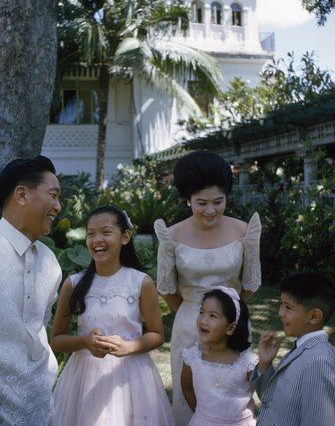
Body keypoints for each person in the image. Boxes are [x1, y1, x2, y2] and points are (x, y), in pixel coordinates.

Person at [154, 150, 261, 425]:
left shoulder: (243, 231)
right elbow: (166, 288)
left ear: (226, 197)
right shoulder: (172, 235)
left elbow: (250, 283)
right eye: (201, 203)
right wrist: (194, 310)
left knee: (234, 396)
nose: (210, 210)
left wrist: (228, 312)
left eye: (218, 201)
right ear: (188, 199)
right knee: (189, 394)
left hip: (233, 324)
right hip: (190, 324)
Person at [52, 204, 174, 426]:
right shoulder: (74, 284)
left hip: (131, 377)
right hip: (84, 378)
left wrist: (129, 347)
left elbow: (157, 334)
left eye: (106, 232)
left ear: (124, 237)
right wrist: (85, 342)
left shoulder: (140, 282)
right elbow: (57, 340)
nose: (97, 239)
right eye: (91, 234)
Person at [0, 155, 62, 425]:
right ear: (22, 195)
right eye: (54, 195)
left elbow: (40, 328)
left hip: (39, 404)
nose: (59, 207)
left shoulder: (50, 262)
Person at [251, 271, 335, 426]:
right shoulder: (302, 349)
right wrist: (265, 364)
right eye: (280, 304)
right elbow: (272, 402)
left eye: (288, 308)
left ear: (314, 316)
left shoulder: (320, 362)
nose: (280, 313)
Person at [181, 287, 258, 425]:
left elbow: (266, 394)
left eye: (213, 316)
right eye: (201, 312)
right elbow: (187, 387)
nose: (203, 320)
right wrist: (203, 415)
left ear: (230, 328)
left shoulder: (247, 362)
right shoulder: (192, 357)